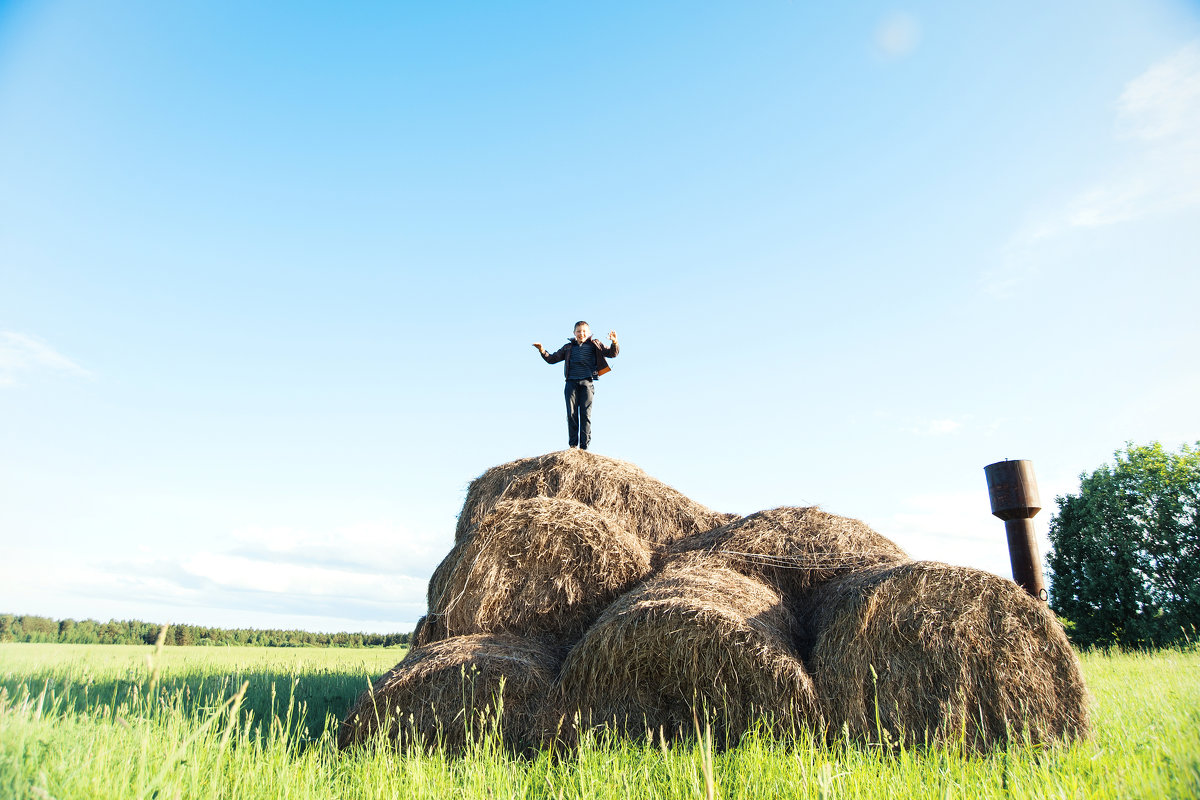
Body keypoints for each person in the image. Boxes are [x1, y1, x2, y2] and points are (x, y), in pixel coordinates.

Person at [532, 321, 619, 450]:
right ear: (574, 333)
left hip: (587, 383)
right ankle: (573, 446)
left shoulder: (595, 344)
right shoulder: (568, 347)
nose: (581, 333)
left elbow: (612, 353)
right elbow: (552, 359)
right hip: (571, 383)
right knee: (571, 414)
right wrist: (542, 350)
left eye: (584, 331)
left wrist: (614, 342)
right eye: (578, 331)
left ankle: (584, 447)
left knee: (585, 415)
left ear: (589, 333)